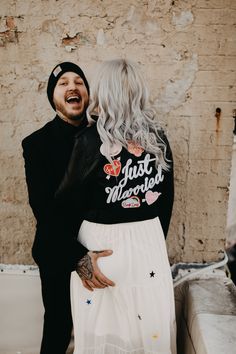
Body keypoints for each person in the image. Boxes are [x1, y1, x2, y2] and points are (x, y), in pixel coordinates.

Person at [56, 59, 177, 354]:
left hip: (100, 248)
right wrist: (148, 240)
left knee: (102, 336)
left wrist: (77, 256)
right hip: (148, 246)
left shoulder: (87, 140)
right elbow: (166, 201)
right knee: (149, 334)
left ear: (103, 93)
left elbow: (64, 205)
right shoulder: (158, 140)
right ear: (139, 92)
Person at [22, 62, 114, 354]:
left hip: (102, 252)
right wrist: (78, 257)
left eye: (79, 82)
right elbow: (43, 210)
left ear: (87, 93)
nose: (73, 87)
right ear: (53, 97)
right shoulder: (37, 144)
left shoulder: (108, 138)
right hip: (58, 252)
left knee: (103, 331)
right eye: (63, 83)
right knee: (60, 329)